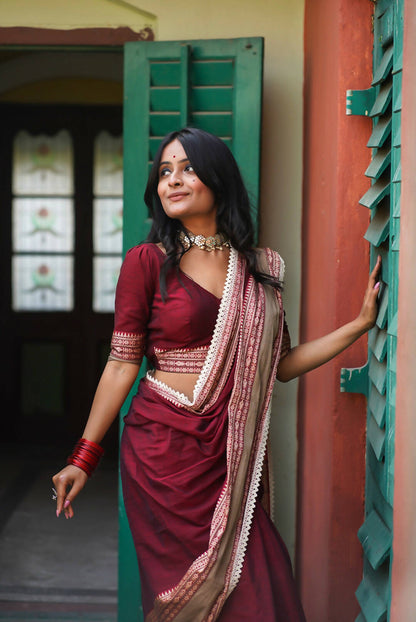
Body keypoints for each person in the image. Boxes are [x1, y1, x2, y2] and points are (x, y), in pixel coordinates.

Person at [52, 127, 381, 622]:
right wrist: (84, 455)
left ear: (218, 180)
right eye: (165, 172)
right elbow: (122, 362)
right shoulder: (148, 263)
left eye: (187, 168)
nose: (173, 181)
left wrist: (357, 326)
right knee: (183, 600)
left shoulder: (260, 269)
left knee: (263, 592)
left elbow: (282, 366)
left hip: (230, 457)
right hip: (163, 455)